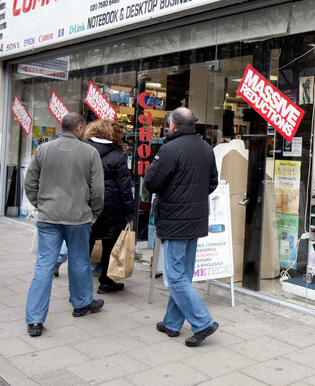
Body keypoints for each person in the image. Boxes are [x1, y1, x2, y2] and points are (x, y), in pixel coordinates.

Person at [23, 112, 105, 337]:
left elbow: (29, 182)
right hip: (78, 217)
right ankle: (81, 304)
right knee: (79, 261)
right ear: (79, 129)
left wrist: (40, 204)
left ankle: (35, 320)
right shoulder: (90, 153)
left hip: (49, 216)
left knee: (43, 266)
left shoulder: (43, 149)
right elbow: (98, 189)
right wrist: (94, 211)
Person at [144, 107, 219, 347]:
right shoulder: (206, 149)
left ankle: (202, 322)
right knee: (183, 275)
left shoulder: (169, 149)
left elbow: (152, 182)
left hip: (175, 221)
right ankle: (171, 323)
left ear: (173, 125)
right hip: (195, 220)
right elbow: (212, 183)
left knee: (175, 278)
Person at [84, 120, 135, 293]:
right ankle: (106, 281)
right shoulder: (117, 156)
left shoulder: (83, 149)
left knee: (85, 245)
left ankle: (79, 285)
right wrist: (129, 212)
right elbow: (124, 187)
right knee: (110, 245)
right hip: (111, 207)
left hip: (86, 205)